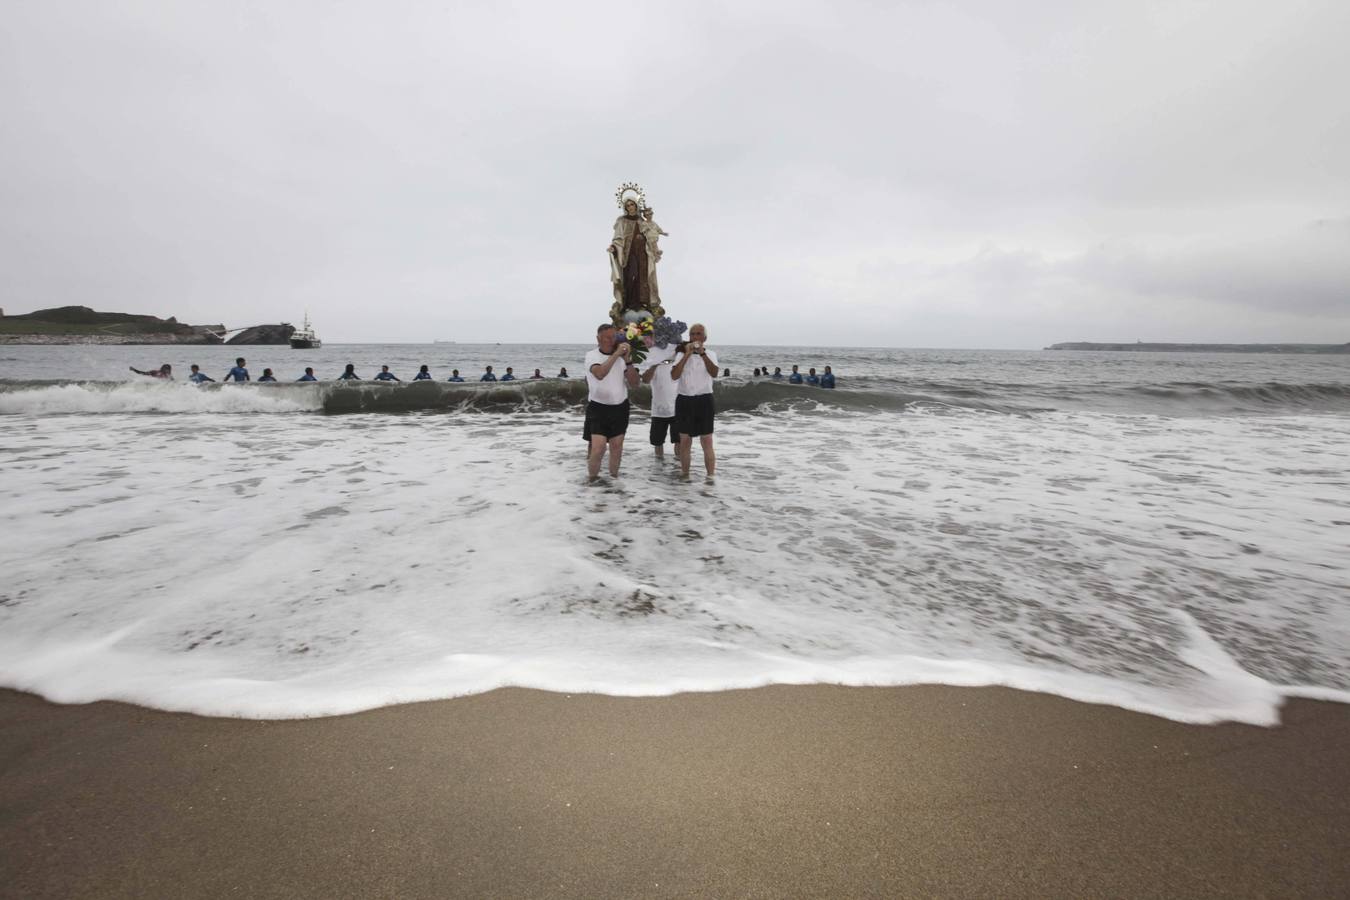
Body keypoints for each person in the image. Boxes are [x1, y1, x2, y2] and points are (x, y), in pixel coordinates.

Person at [584, 322, 638, 479]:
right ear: (598, 338)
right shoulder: (592, 355)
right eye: (606, 337)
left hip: (620, 407)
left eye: (613, 337)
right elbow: (600, 373)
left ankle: (614, 481)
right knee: (598, 448)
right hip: (598, 407)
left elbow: (635, 383)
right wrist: (615, 355)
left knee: (617, 447)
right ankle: (592, 480)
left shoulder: (622, 358)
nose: (610, 340)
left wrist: (627, 360)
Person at [670, 323, 718, 478]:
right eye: (692, 334)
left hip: (704, 400)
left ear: (704, 338)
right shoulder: (681, 354)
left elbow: (714, 373)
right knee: (684, 441)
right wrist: (687, 355)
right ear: (689, 337)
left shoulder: (710, 354)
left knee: (707, 441)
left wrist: (702, 354)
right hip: (684, 400)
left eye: (698, 334)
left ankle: (710, 477)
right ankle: (685, 475)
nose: (695, 337)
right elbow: (674, 375)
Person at [640, 349, 679, 459]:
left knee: (679, 441)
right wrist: (655, 365)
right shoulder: (654, 365)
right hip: (658, 411)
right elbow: (645, 380)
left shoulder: (679, 363)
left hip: (677, 409)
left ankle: (678, 467)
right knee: (657, 442)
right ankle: (658, 470)